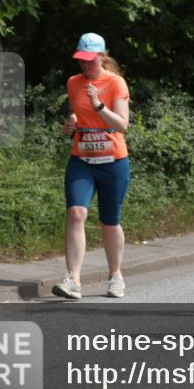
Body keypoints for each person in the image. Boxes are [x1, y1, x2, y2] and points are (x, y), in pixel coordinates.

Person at [53, 33, 131, 300]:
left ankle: (115, 275)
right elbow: (77, 111)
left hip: (113, 161)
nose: (85, 65)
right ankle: (73, 280)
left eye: (90, 59)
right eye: (81, 60)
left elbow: (122, 124)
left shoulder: (115, 82)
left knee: (110, 221)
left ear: (102, 56)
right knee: (75, 213)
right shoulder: (73, 82)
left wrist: (98, 104)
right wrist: (72, 121)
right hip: (82, 159)